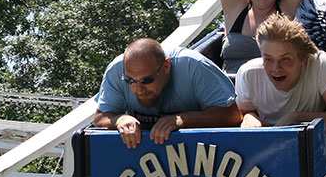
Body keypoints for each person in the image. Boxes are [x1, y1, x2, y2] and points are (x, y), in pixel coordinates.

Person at [94, 38, 242, 148]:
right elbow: (101, 117)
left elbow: (233, 115)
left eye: (147, 80)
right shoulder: (116, 70)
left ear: (166, 66)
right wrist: (120, 119)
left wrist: (184, 120)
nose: (139, 90)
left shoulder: (194, 66)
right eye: (130, 81)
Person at [235, 14, 326, 133]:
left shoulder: (319, 65)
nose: (276, 68)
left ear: (303, 59)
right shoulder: (249, 74)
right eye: (268, 59)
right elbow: (245, 112)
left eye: (285, 59)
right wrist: (250, 118)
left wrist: (297, 118)